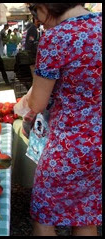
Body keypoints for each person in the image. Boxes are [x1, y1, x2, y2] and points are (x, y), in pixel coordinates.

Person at [17, 3, 102, 236]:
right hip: (98, 145)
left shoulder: (56, 38)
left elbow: (37, 103)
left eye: (35, 10)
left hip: (67, 146)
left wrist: (28, 98)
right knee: (86, 216)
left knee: (44, 215)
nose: (37, 19)